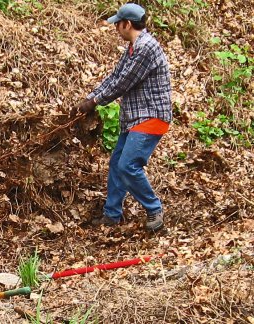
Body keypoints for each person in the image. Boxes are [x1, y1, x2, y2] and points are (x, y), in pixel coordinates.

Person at [72, 3, 172, 231]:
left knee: (128, 165)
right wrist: (88, 99)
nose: (116, 27)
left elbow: (123, 83)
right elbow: (114, 77)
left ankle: (154, 209)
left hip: (151, 116)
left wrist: (95, 102)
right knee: (117, 164)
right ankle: (112, 215)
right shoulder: (133, 48)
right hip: (134, 119)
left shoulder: (146, 48)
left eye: (118, 23)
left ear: (127, 24)